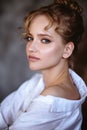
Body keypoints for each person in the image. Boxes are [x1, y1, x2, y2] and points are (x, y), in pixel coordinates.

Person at [0, 0, 87, 129]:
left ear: (67, 50)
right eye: (30, 38)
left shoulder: (53, 98)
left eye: (45, 40)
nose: (31, 48)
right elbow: (2, 114)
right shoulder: (37, 82)